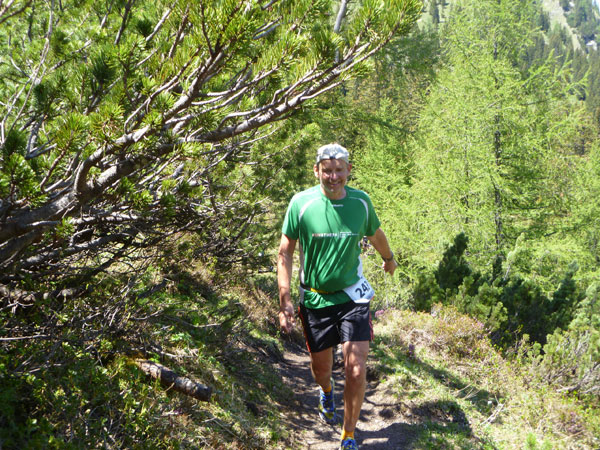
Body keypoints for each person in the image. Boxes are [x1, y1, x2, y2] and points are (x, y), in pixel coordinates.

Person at [277, 143, 397, 450]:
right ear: (316, 171)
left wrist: (388, 258)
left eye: (339, 170)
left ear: (348, 170)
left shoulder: (361, 202)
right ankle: (326, 390)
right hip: (315, 299)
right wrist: (285, 300)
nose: (333, 177)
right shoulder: (301, 204)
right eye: (327, 170)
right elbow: (285, 252)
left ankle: (348, 435)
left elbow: (375, 233)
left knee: (356, 368)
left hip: (352, 297)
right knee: (322, 370)